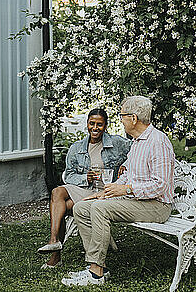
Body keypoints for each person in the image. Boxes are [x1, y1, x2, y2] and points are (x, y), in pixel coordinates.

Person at [62, 96, 175, 287]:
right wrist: (106, 192)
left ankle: (95, 274)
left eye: (122, 115)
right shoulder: (138, 142)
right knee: (81, 207)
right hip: (136, 200)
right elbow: (127, 174)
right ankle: (99, 266)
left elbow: (160, 185)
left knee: (99, 209)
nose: (120, 120)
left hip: (157, 205)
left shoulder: (158, 142)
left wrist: (126, 189)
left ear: (133, 118)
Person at [37, 108, 131, 269]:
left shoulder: (117, 143)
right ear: (87, 124)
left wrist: (126, 165)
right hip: (86, 189)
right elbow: (69, 175)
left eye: (99, 124)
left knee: (62, 208)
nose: (95, 128)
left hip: (108, 191)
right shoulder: (77, 147)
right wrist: (84, 177)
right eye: (92, 123)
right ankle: (54, 241)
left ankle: (56, 255)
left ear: (105, 126)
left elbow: (138, 150)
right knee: (57, 192)